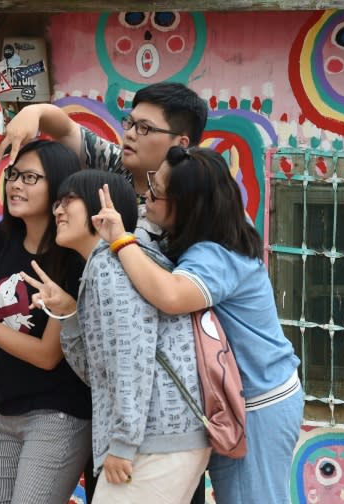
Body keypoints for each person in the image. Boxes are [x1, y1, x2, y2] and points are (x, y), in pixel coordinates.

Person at [94, 146, 303, 503]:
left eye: (157, 192)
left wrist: (120, 241)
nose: (147, 196)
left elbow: (171, 296)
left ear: (188, 205)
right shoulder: (218, 224)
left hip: (258, 404)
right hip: (235, 401)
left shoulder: (217, 253)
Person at [22, 170, 210, 503]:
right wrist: (68, 315)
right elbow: (96, 373)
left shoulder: (111, 264)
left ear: (98, 208)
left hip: (153, 440)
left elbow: (130, 356)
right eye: (57, 203)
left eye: (69, 201)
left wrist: (123, 443)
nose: (58, 211)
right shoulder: (103, 264)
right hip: (161, 436)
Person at [0, 140, 91, 503]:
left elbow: (47, 354)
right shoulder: (5, 236)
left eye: (30, 177)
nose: (15, 185)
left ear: (56, 184)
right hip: (8, 407)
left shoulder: (70, 255)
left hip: (58, 413)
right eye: (13, 175)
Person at [0, 82, 208, 243]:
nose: (130, 134)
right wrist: (35, 112)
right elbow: (67, 129)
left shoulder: (198, 202)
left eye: (144, 128)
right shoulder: (116, 163)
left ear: (181, 144)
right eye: (131, 123)